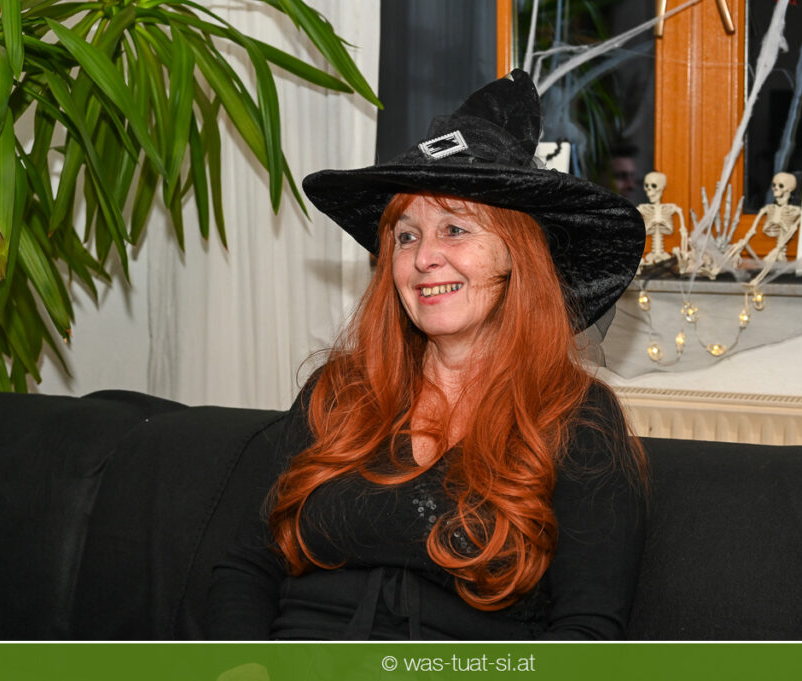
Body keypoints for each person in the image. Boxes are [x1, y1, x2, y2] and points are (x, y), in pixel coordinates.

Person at [207, 70, 648, 640]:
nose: (423, 258)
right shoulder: (337, 394)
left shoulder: (577, 420)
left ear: (517, 255)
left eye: (455, 230)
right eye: (407, 236)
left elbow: (586, 633)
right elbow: (245, 568)